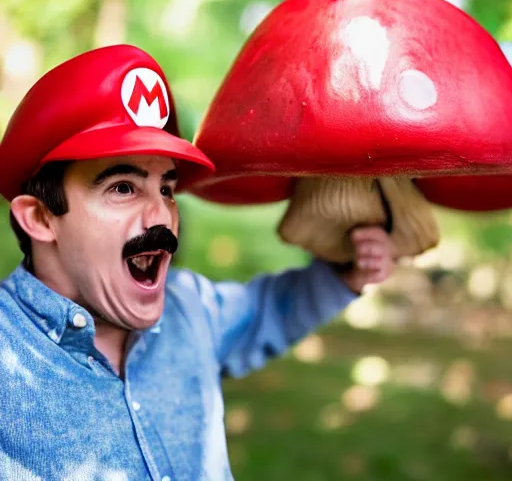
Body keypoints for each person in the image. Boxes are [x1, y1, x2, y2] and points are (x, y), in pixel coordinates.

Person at [0, 44, 395, 481]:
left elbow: (268, 310)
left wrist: (348, 272)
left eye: (166, 189)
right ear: (39, 217)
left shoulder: (190, 306)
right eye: (123, 188)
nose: (161, 216)